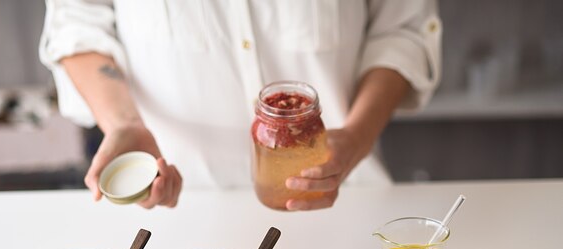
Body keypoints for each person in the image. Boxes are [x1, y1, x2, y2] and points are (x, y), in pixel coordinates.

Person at [40, 0, 441, 210]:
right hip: (177, 200)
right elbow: (76, 23)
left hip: (342, 195)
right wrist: (121, 123)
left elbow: (401, 28)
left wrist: (356, 136)